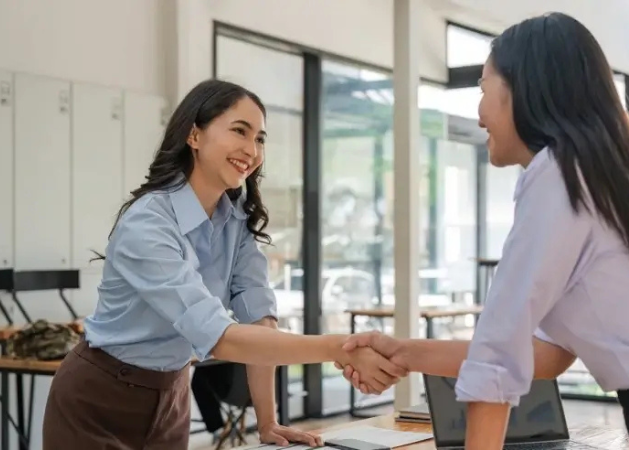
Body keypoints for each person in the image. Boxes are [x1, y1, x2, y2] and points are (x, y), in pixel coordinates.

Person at [337, 12, 629, 450]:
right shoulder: (612, 176)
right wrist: (403, 352)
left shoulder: (559, 175)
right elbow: (547, 355)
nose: (479, 115)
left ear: (523, 88)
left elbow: (499, 352)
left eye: (482, 88)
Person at [42, 79, 406, 450]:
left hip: (171, 399)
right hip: (98, 400)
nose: (252, 150)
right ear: (194, 135)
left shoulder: (235, 222)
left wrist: (268, 421)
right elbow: (220, 337)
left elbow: (259, 320)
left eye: (260, 138)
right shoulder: (148, 222)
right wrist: (335, 347)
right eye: (239, 131)